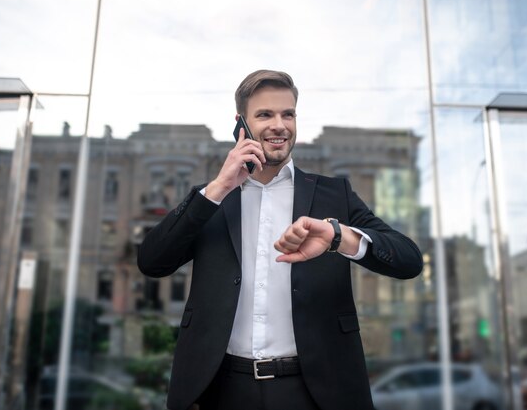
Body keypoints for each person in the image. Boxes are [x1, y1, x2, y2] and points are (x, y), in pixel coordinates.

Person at [137, 69, 423, 410]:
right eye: (265, 115)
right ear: (240, 123)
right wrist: (217, 187)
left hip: (316, 390)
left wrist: (337, 236)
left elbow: (409, 260)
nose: (279, 125)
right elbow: (152, 262)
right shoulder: (210, 198)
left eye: (288, 114)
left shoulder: (334, 195)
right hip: (219, 389)